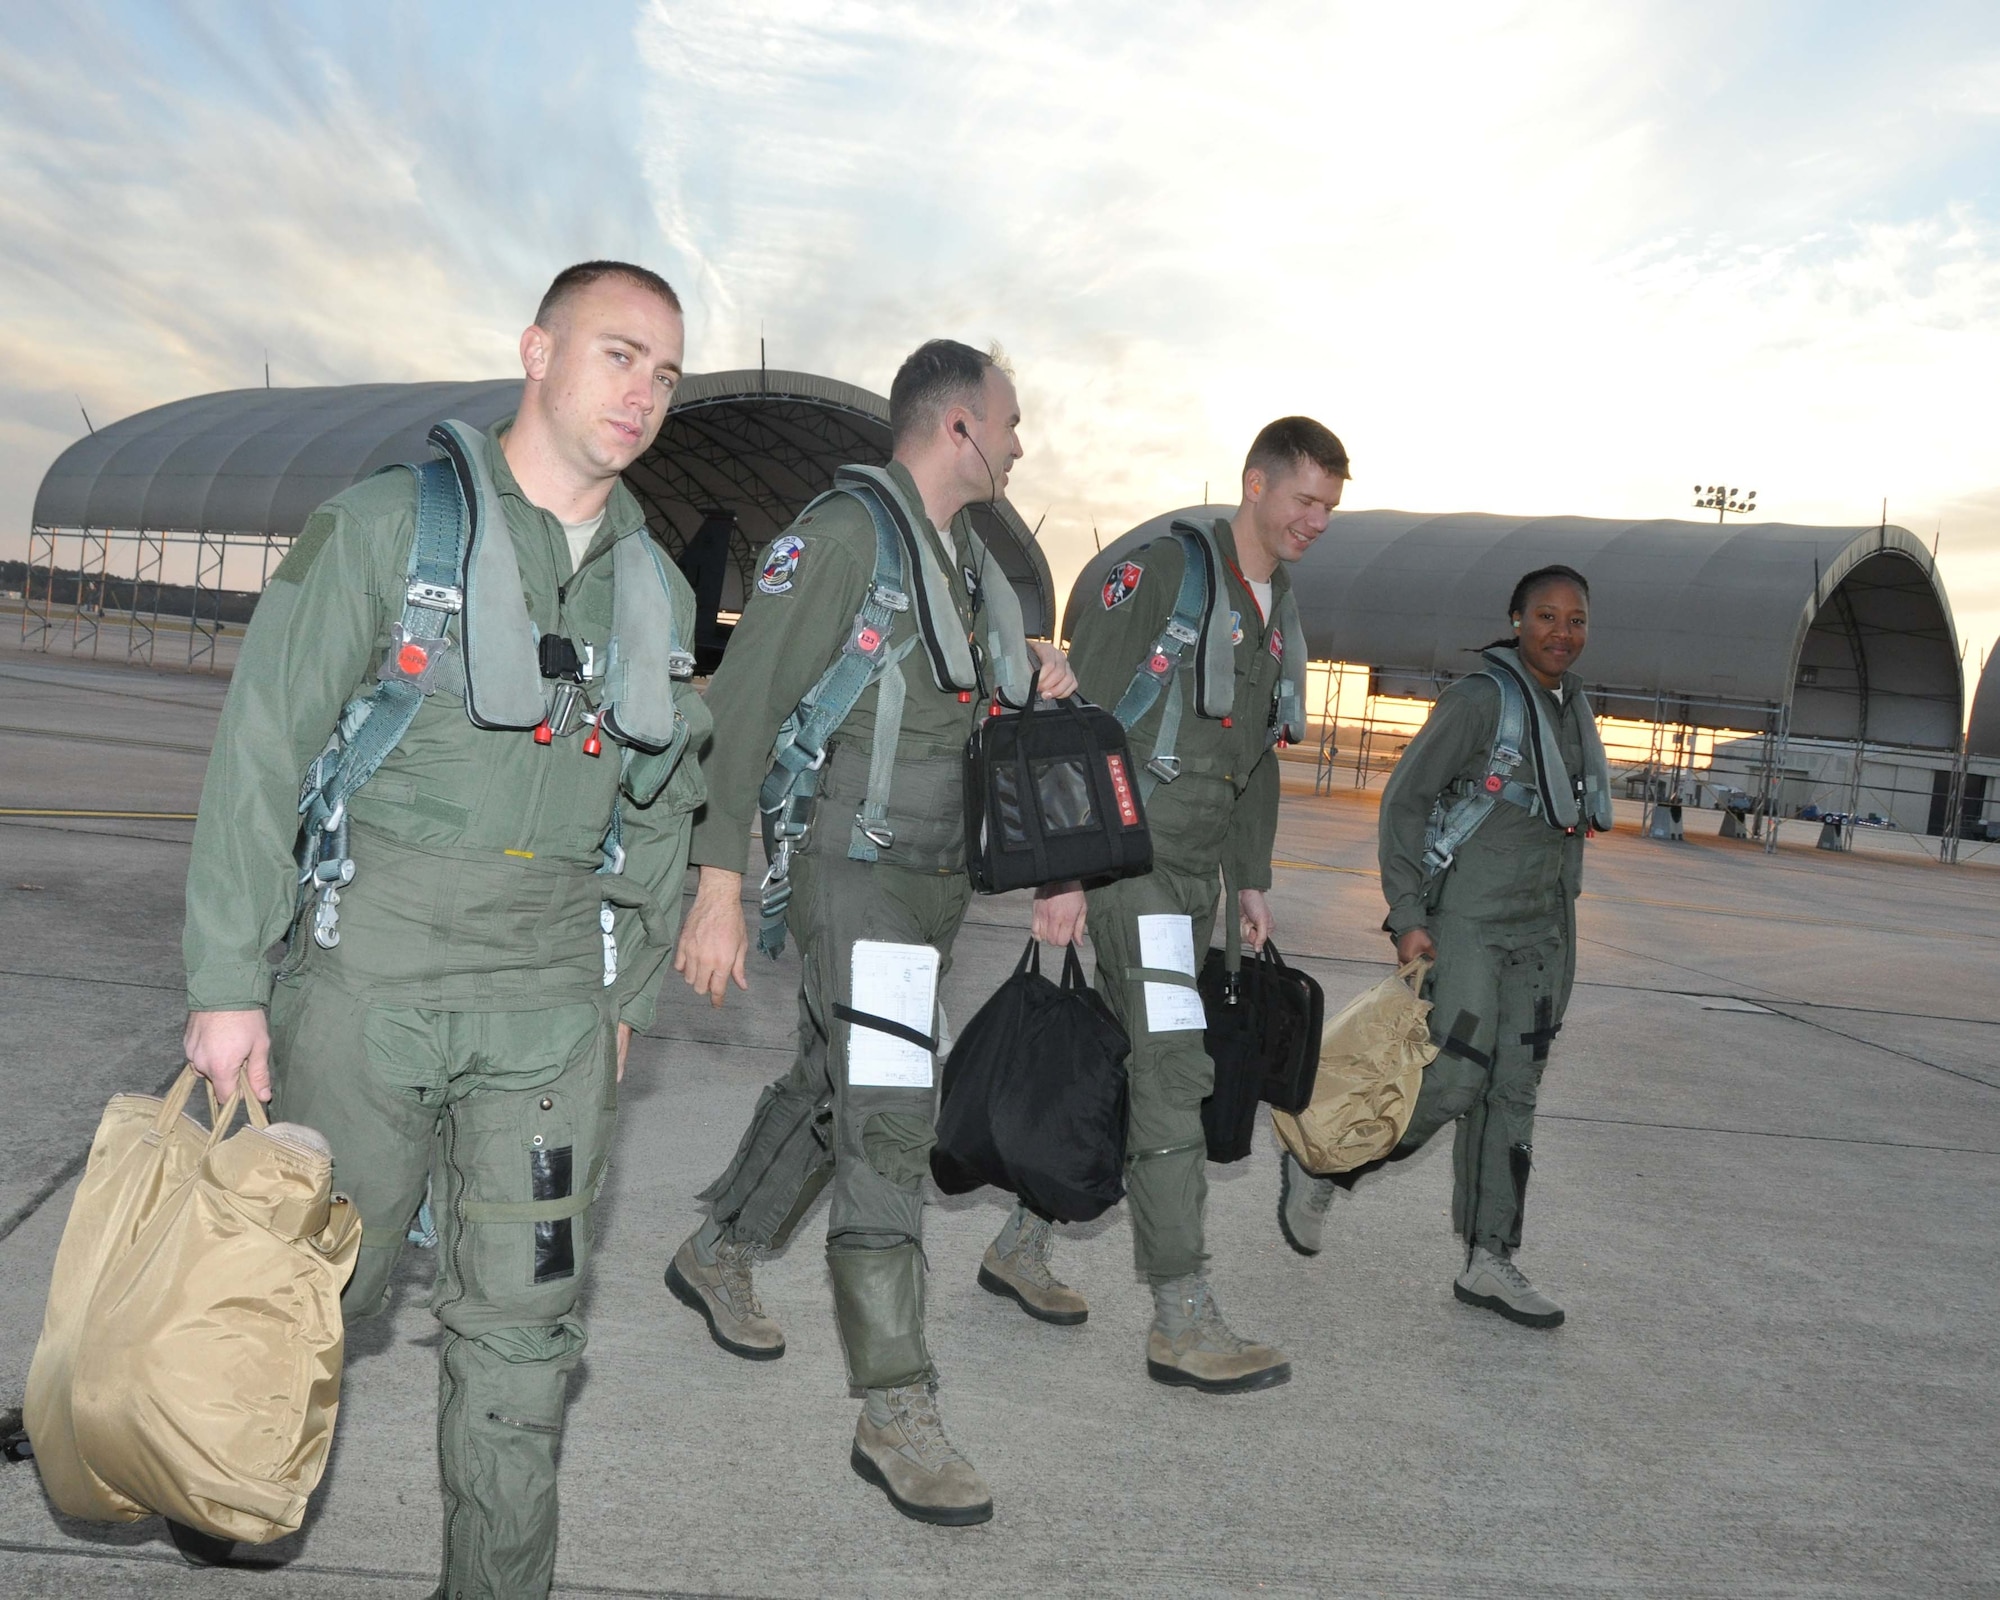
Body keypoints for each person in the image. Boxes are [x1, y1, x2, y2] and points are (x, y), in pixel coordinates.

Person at [181, 261, 708, 1597]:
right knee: (322, 1293)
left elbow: (663, 800)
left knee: (526, 1334)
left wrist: (626, 988)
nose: (643, 391)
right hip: (371, 980)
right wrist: (228, 984)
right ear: (537, 351)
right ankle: (227, 1464)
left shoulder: (652, 588)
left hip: (546, 1006)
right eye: (617, 354)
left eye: (665, 371)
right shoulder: (383, 531)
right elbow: (260, 751)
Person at [666, 339, 1075, 1527]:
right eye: (1009, 420)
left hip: (930, 881)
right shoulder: (846, 537)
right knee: (892, 1123)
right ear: (955, 426)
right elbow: (740, 706)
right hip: (860, 873)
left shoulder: (955, 558)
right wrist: (718, 879)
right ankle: (894, 1407)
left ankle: (723, 1250)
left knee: (831, 1080)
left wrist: (1031, 674)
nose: (1016, 440)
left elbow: (950, 697)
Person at [1008, 418, 1348, 1391]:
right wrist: (1065, 872)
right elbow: (1084, 721)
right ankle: (1179, 1312)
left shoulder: (1277, 607)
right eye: (1301, 499)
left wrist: (1250, 879)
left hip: (1193, 875)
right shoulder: (1164, 574)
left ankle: (1021, 1238)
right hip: (1130, 862)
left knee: (1125, 1059)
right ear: (1254, 484)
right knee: (1170, 1065)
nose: (1313, 520)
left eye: (1327, 506)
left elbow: (1255, 761)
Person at [1278, 565, 1611, 1329]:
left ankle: (1490, 1259)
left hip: (1542, 935)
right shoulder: (1480, 702)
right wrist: (1406, 913)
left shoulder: (1572, 711)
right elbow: (1406, 799)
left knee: (1514, 1096)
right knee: (1454, 1083)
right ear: (1516, 620)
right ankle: (1324, 1161)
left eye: (1577, 620)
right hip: (1470, 925)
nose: (1563, 633)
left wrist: (1564, 944)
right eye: (1547, 617)